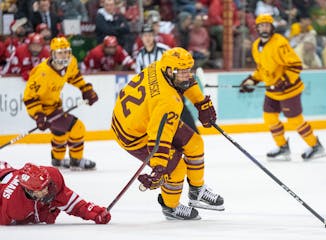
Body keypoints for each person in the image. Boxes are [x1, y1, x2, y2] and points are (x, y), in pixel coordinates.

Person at [111, 47, 224, 220]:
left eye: (188, 70)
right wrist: (159, 168)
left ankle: (196, 191)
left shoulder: (160, 66)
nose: (187, 74)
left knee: (195, 143)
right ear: (170, 71)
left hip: (146, 115)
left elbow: (185, 81)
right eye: (183, 71)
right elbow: (158, 137)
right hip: (133, 134)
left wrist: (200, 103)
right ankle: (170, 207)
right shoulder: (168, 101)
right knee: (176, 168)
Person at [239, 14, 326, 161]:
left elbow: (295, 65)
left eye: (267, 25)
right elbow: (262, 69)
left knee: (295, 120)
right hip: (272, 90)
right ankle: (282, 147)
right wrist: (251, 81)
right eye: (261, 26)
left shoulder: (280, 43)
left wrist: (284, 81)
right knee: (269, 118)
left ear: (272, 27)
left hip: (289, 90)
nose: (264, 28)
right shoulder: (256, 46)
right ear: (257, 28)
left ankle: (316, 145)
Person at [23, 37, 98, 170]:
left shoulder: (71, 62)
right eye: (60, 52)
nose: (64, 55)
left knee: (60, 132)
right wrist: (39, 116)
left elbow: (74, 77)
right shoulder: (42, 72)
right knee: (77, 127)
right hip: (42, 111)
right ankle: (76, 160)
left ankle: (57, 160)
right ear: (52, 54)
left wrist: (86, 90)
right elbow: (30, 98)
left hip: (55, 106)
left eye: (66, 52)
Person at [0, 161, 111, 225]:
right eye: (41, 190)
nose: (47, 191)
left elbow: (69, 201)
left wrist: (94, 212)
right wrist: (46, 215)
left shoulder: (52, 175)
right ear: (29, 191)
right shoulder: (13, 208)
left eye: (46, 185)